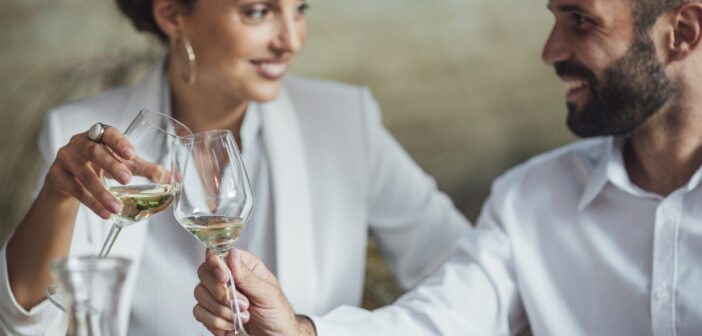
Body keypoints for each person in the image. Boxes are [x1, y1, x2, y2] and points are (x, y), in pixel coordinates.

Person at [195, 0, 702, 334]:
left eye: (582, 21)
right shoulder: (527, 200)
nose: (550, 51)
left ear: (683, 32)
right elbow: (440, 322)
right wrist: (300, 331)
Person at [0, 0, 470, 334]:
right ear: (171, 14)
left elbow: (469, 284)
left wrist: (309, 334)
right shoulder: (80, 131)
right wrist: (56, 198)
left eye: (300, 8)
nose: (291, 39)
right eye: (258, 11)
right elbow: (24, 323)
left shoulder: (345, 121)